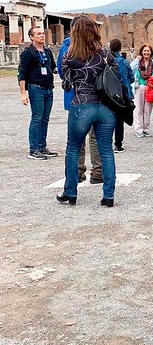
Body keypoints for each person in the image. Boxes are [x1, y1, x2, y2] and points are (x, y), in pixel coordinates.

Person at [58, 17, 118, 207]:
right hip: (105, 106)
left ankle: (71, 192)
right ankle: (108, 196)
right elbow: (116, 75)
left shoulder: (69, 56)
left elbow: (67, 85)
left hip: (82, 105)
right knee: (106, 150)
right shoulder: (105, 54)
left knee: (73, 148)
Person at [57, 15, 101, 182]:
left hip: (76, 99)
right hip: (91, 99)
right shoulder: (96, 49)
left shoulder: (67, 50)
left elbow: (64, 76)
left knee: (78, 140)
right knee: (91, 138)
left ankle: (81, 172)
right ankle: (94, 172)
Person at [18, 25, 58, 160]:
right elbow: (22, 73)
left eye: (43, 33)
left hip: (48, 88)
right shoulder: (28, 52)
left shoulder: (47, 51)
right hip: (36, 88)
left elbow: (52, 68)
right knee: (37, 118)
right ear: (31, 37)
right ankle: (34, 149)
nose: (42, 35)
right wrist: (23, 93)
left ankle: (42, 146)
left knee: (45, 119)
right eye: (39, 34)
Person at [109, 39, 135, 152]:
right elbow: (132, 78)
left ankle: (106, 143)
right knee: (119, 120)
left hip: (109, 93)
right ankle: (118, 145)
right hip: (122, 94)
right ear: (120, 48)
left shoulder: (106, 61)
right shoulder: (123, 62)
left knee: (108, 119)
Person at [131, 43, 153, 137]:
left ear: (151, 52)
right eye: (145, 51)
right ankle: (138, 129)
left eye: (148, 51)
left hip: (150, 88)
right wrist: (136, 60)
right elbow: (130, 69)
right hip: (139, 87)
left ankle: (145, 128)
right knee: (138, 109)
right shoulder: (138, 63)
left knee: (148, 109)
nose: (146, 52)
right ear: (141, 52)